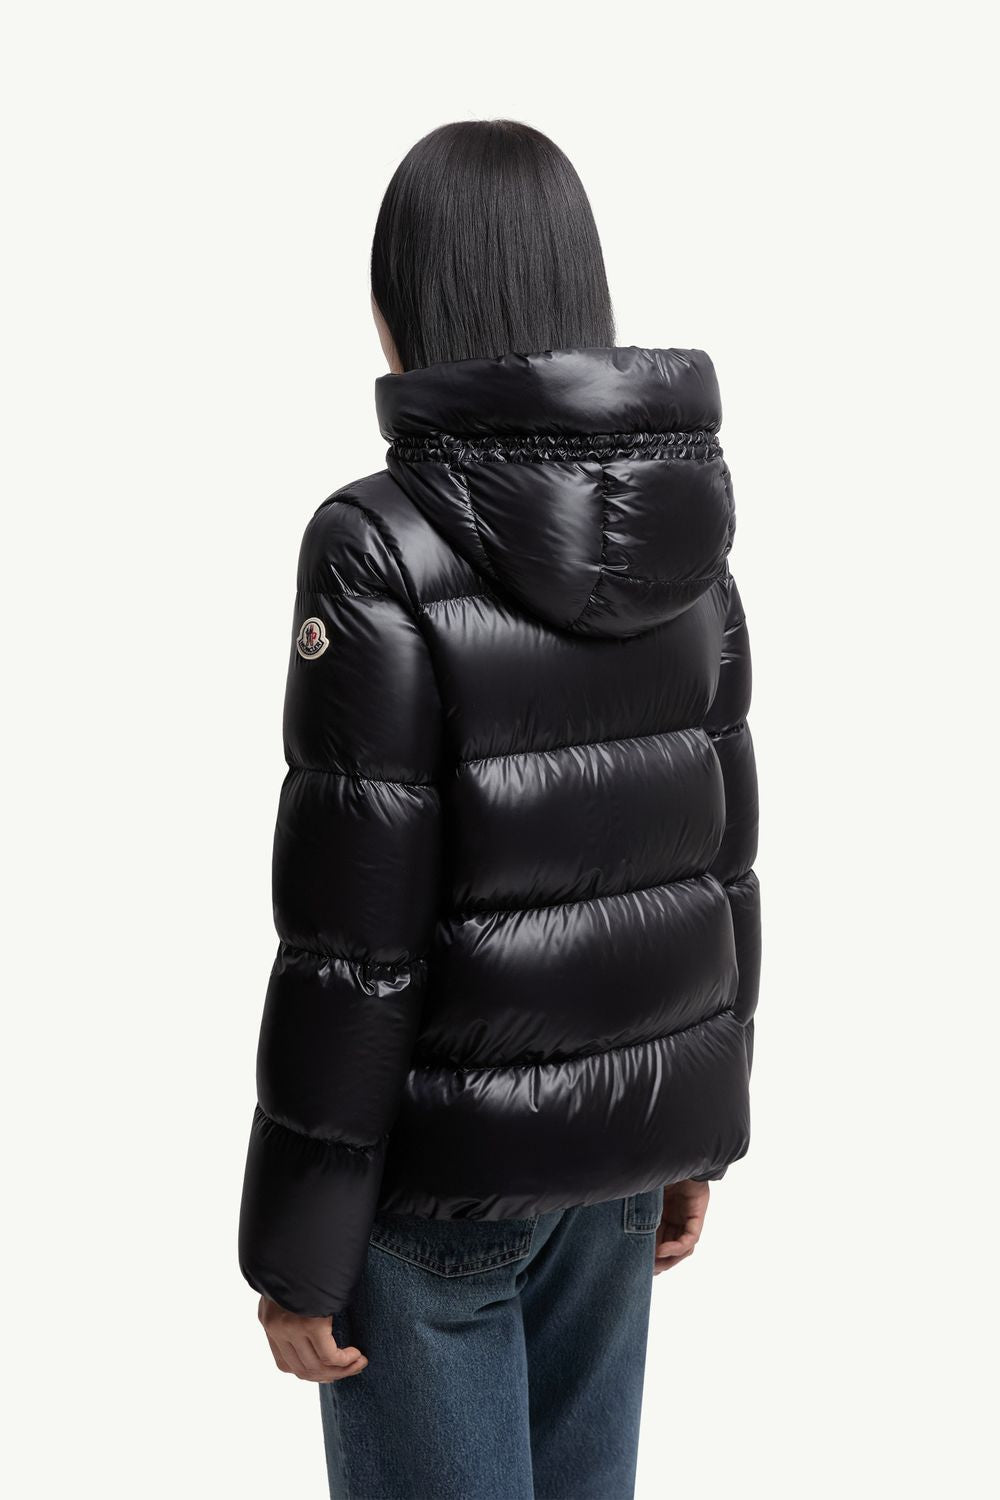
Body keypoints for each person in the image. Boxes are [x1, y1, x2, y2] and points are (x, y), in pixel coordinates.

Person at [238, 119, 761, 1500]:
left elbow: (350, 936)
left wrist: (295, 1247)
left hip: (439, 1191)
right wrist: (693, 1129)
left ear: (402, 304)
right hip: (619, 1160)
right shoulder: (685, 533)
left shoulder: (375, 543)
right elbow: (721, 854)